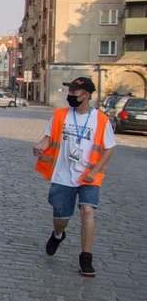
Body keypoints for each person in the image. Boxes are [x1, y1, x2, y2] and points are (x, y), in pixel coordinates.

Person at [32, 77, 116, 278]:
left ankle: (85, 258)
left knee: (87, 212)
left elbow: (109, 148)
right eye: (69, 92)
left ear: (85, 95)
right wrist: (39, 148)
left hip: (89, 177)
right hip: (62, 176)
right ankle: (58, 235)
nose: (69, 95)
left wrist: (94, 173)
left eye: (74, 93)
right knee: (61, 218)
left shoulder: (101, 120)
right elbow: (47, 139)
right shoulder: (60, 115)